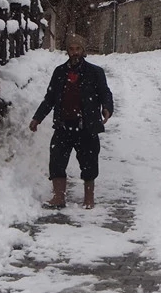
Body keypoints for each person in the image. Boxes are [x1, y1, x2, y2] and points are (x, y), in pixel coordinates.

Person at [29, 35, 114, 209]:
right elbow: (50, 98)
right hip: (63, 125)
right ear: (67, 51)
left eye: (78, 49)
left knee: (89, 161)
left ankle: (88, 198)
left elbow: (105, 93)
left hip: (86, 125)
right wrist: (37, 118)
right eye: (71, 49)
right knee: (57, 161)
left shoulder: (95, 72)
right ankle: (59, 197)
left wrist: (107, 108)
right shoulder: (59, 72)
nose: (74, 53)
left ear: (83, 51)